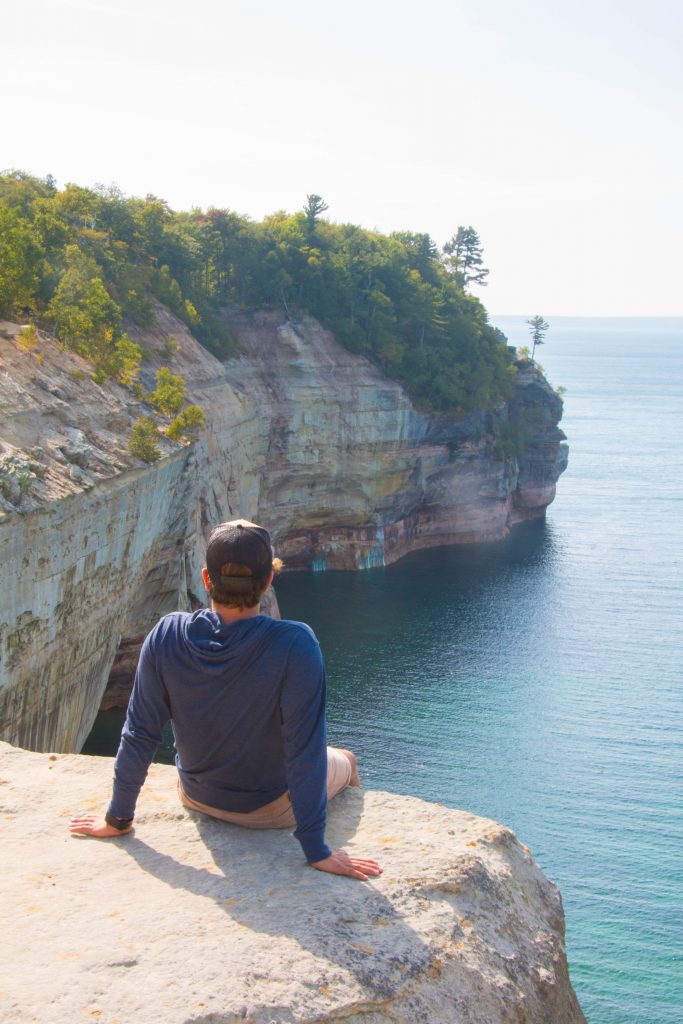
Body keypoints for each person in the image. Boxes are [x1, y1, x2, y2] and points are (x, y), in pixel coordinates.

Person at [69, 519, 382, 882]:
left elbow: (139, 732)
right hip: (269, 809)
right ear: (268, 582)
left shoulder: (166, 633)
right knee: (347, 758)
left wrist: (118, 818)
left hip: (196, 795)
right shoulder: (295, 644)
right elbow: (304, 750)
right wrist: (316, 849)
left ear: (206, 579)